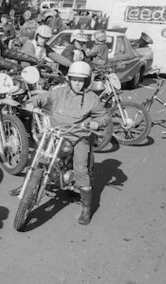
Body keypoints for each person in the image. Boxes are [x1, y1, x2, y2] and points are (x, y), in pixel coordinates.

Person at [24, 61, 109, 224]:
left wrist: (97, 123)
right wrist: (32, 103)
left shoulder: (92, 98)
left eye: (81, 80)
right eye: (74, 79)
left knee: (80, 168)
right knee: (38, 152)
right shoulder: (59, 92)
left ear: (87, 81)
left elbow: (104, 116)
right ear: (69, 79)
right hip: (57, 132)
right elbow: (44, 96)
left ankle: (86, 209)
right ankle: (27, 187)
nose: (77, 83)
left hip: (79, 135)